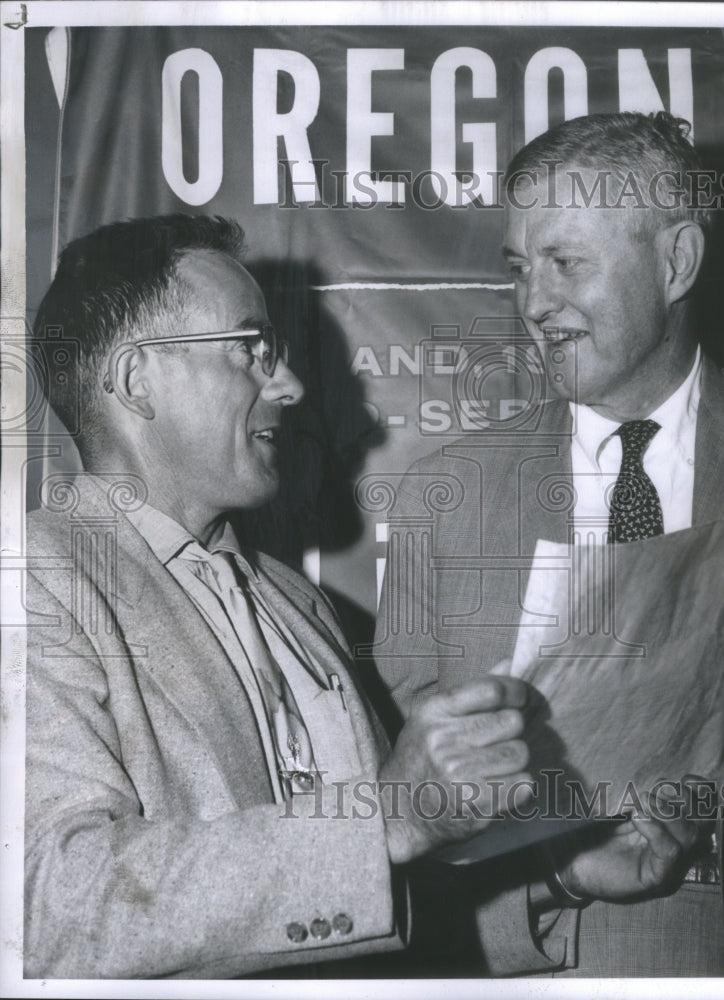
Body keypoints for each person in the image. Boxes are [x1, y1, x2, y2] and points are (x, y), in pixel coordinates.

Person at [24, 214, 541, 980]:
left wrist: (553, 884)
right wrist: (388, 815)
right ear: (137, 380)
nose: (290, 386)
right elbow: (51, 905)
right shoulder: (30, 580)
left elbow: (355, 899)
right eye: (250, 350)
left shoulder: (297, 602)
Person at [374, 112, 724, 976]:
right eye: (519, 268)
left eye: (566, 262)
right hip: (556, 963)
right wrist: (552, 870)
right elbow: (406, 803)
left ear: (676, 260)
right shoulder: (440, 499)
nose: (534, 302)